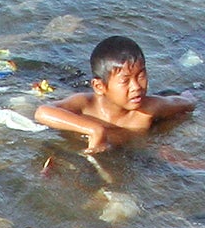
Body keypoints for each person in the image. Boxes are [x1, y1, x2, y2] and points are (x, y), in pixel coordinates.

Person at [33, 35, 194, 154]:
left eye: (141, 75)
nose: (136, 87)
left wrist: (190, 96)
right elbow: (42, 112)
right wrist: (95, 129)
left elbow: (187, 104)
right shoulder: (86, 105)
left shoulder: (148, 109)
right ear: (99, 86)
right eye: (125, 81)